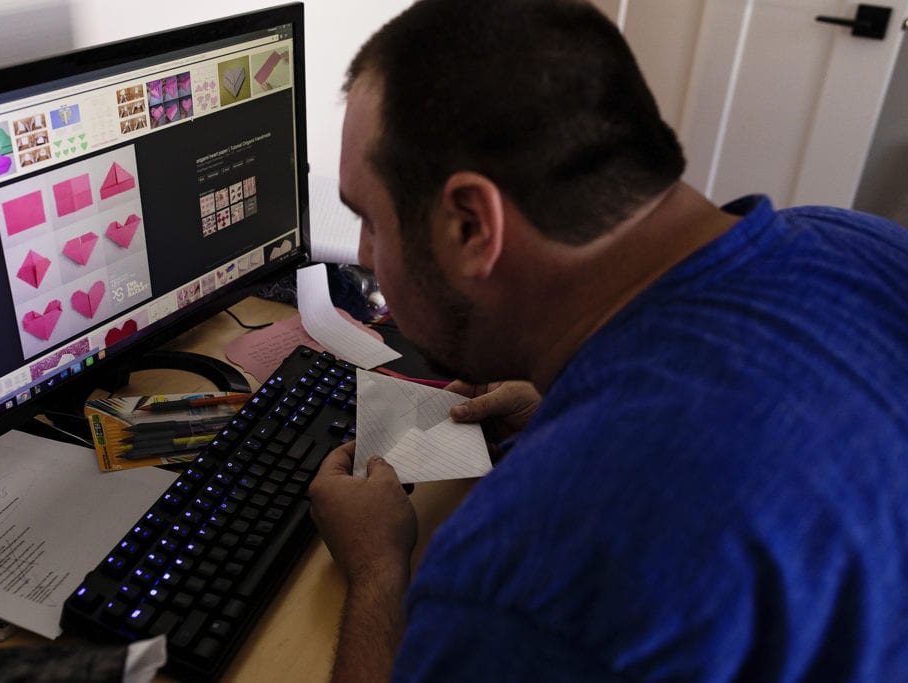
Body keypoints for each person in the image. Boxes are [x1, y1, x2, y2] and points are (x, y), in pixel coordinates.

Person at [307, 0, 908, 680]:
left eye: (370, 222)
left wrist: (377, 571)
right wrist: (567, 409)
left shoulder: (536, 572)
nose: (365, 256)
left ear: (471, 226)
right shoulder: (861, 240)